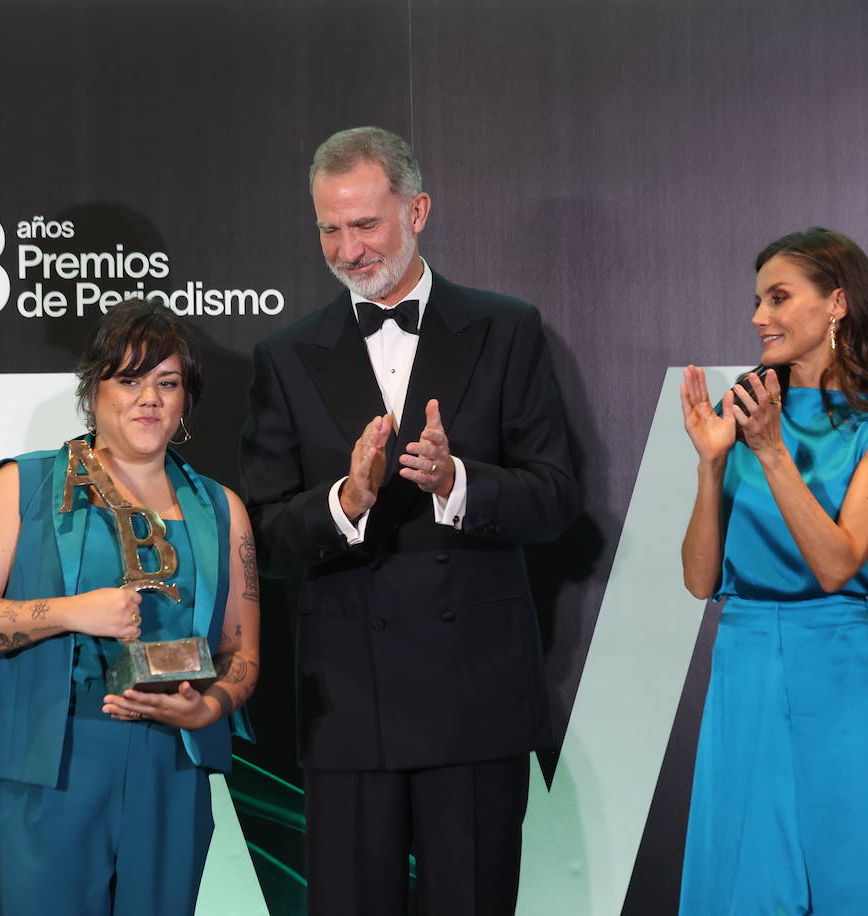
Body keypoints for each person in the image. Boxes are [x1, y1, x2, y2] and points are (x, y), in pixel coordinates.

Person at [239, 126, 577, 915]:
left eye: (366, 224)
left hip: (477, 700)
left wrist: (459, 483)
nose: (348, 249)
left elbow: (557, 498)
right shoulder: (286, 355)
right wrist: (346, 503)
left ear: (417, 209)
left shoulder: (507, 328)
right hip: (351, 704)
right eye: (329, 227)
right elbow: (260, 538)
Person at [0, 302, 259, 916]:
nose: (149, 400)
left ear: (185, 400)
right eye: (129, 380)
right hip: (45, 760)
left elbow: (242, 655)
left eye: (167, 383)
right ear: (93, 389)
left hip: (172, 764)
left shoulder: (223, 510)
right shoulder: (21, 486)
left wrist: (205, 707)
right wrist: (67, 612)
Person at [678, 227, 868, 914]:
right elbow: (701, 581)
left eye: (779, 297)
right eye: (758, 300)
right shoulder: (748, 408)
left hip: (836, 665)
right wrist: (709, 464)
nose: (759, 317)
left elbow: (837, 563)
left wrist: (770, 453)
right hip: (745, 660)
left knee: (843, 873)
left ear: (837, 304)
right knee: (743, 880)